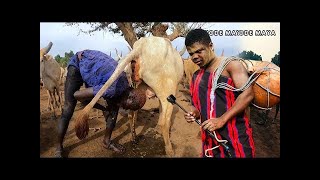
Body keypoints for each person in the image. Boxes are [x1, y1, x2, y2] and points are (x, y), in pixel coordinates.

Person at [55, 50, 146, 158]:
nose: (124, 108)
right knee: (68, 109)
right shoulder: (112, 89)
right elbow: (77, 96)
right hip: (78, 65)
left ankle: (106, 142)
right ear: (130, 96)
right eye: (126, 106)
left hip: (93, 72)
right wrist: (100, 106)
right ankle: (58, 148)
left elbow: (115, 101)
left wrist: (106, 107)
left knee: (113, 110)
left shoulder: (125, 84)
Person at [183, 29, 255, 158]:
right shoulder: (196, 76)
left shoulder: (231, 65)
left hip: (236, 139)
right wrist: (193, 113)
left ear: (211, 46)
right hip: (210, 142)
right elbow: (196, 106)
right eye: (191, 53)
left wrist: (221, 120)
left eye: (199, 51)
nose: (194, 57)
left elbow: (248, 94)